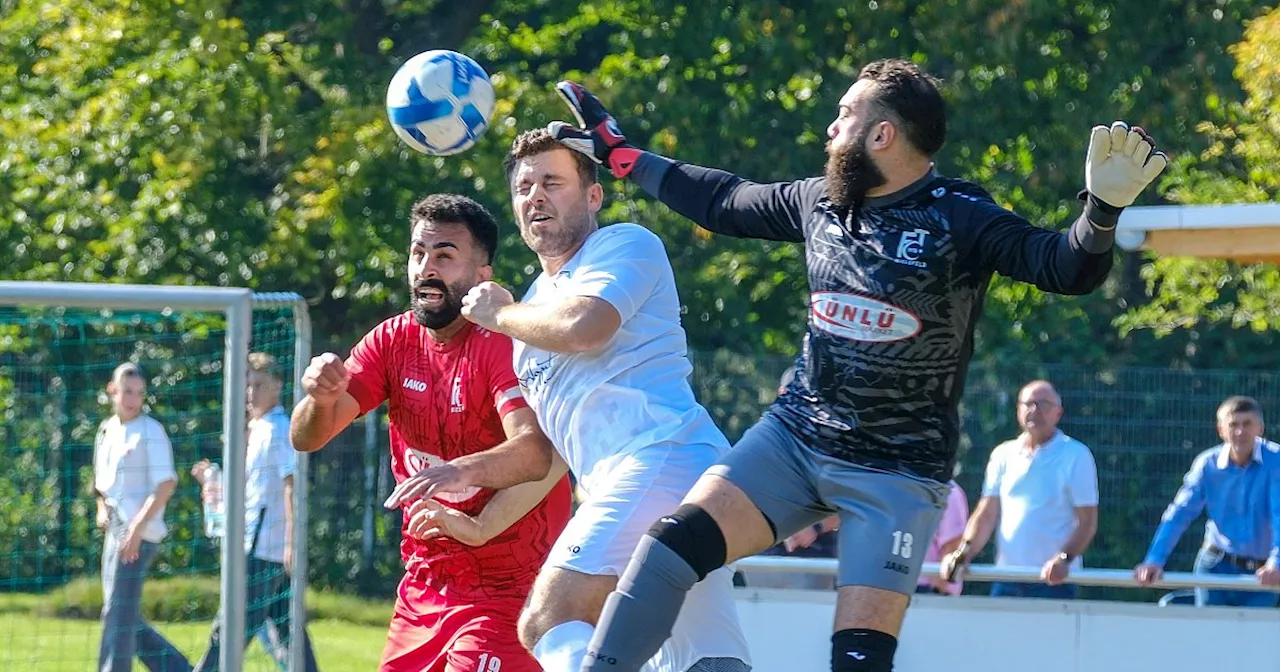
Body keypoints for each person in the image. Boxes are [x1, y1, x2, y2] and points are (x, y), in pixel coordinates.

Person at [545, 57, 1169, 671]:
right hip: (794, 440)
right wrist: (624, 157)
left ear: (882, 135)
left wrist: (1102, 212)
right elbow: (723, 200)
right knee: (668, 548)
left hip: (896, 471)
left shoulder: (961, 215)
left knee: (860, 658)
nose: (830, 128)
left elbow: (1065, 267)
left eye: (844, 114)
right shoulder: (821, 203)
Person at [385, 129, 752, 672]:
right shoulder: (533, 306)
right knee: (703, 663)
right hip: (646, 483)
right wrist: (482, 525)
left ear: (593, 196)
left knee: (550, 618)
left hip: (662, 458)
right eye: (524, 186)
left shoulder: (624, 244)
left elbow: (586, 325)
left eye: (552, 182)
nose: (535, 195)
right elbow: (550, 455)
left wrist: (498, 316)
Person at [289, 193, 573, 672]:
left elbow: (534, 453)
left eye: (445, 255)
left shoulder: (502, 344)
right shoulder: (391, 341)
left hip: (512, 591)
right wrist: (319, 398)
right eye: (419, 253)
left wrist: (456, 473)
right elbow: (307, 438)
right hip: (425, 585)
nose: (427, 268)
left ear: (482, 274)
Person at [190, 352, 320, 671]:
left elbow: (292, 485)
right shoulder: (257, 428)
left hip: (265, 549)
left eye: (258, 384)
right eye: (248, 385)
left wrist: (291, 541)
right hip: (255, 545)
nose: (251, 392)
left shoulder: (278, 429)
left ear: (277, 385)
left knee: (230, 628)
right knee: (288, 633)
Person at [940, 380, 1099, 599]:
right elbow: (986, 513)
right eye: (1029, 403)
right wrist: (963, 553)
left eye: (1043, 404)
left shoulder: (1076, 455)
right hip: (1006, 578)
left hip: (1054, 582)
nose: (1035, 410)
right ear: (1018, 409)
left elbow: (1087, 521)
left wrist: (1064, 559)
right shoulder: (1003, 454)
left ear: (1058, 413)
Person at [1133, 395, 1280, 607]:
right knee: (1211, 635)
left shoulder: (1276, 462)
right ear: (1221, 429)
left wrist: (1276, 562)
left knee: (1250, 637)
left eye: (1247, 424)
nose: (1240, 432)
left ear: (1260, 428)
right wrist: (1154, 560)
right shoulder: (1207, 464)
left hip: (1263, 571)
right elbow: (1179, 513)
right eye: (1233, 425)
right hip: (1215, 565)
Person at [92, 362, 189, 672]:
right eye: (127, 392)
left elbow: (166, 484)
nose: (133, 399)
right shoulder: (106, 429)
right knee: (121, 612)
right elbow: (100, 484)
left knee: (118, 614)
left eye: (138, 393)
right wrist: (101, 509)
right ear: (112, 390)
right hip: (115, 529)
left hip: (140, 532)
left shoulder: (151, 431)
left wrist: (135, 531)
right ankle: (176, 668)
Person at [916, 478, 969, 597]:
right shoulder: (898, 483)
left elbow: (953, 544)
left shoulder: (949, 491)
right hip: (895, 587)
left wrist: (936, 593)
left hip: (927, 591)